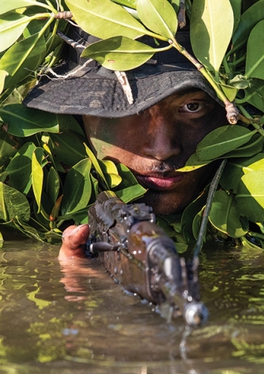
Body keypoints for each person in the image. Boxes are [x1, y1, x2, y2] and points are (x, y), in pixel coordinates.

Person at [23, 28, 228, 260]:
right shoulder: (22, 226)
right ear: (78, 115)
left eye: (192, 106)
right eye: (130, 110)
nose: (162, 149)